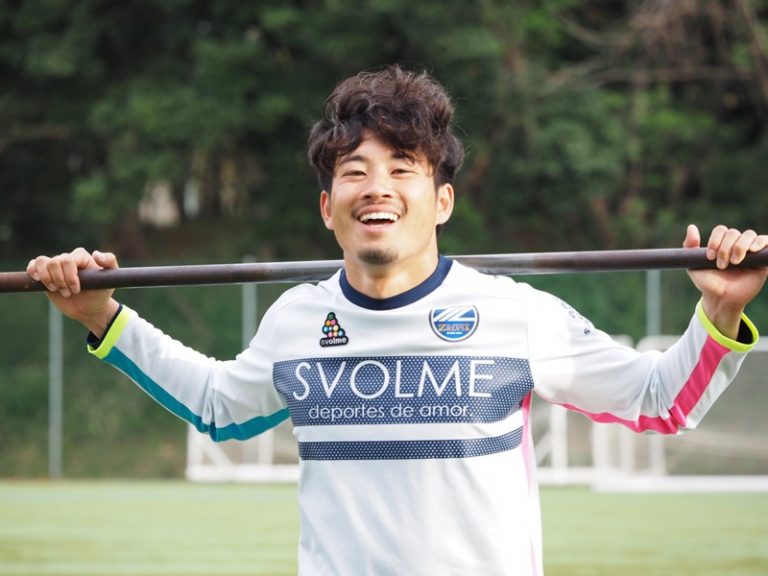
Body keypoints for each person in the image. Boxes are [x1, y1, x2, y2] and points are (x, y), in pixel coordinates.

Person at [28, 65, 767, 575]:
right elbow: (220, 408)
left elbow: (660, 401)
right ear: (328, 208)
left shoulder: (514, 314)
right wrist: (102, 316)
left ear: (441, 201)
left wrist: (721, 309)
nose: (376, 187)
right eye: (354, 171)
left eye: (402, 168)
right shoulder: (297, 321)